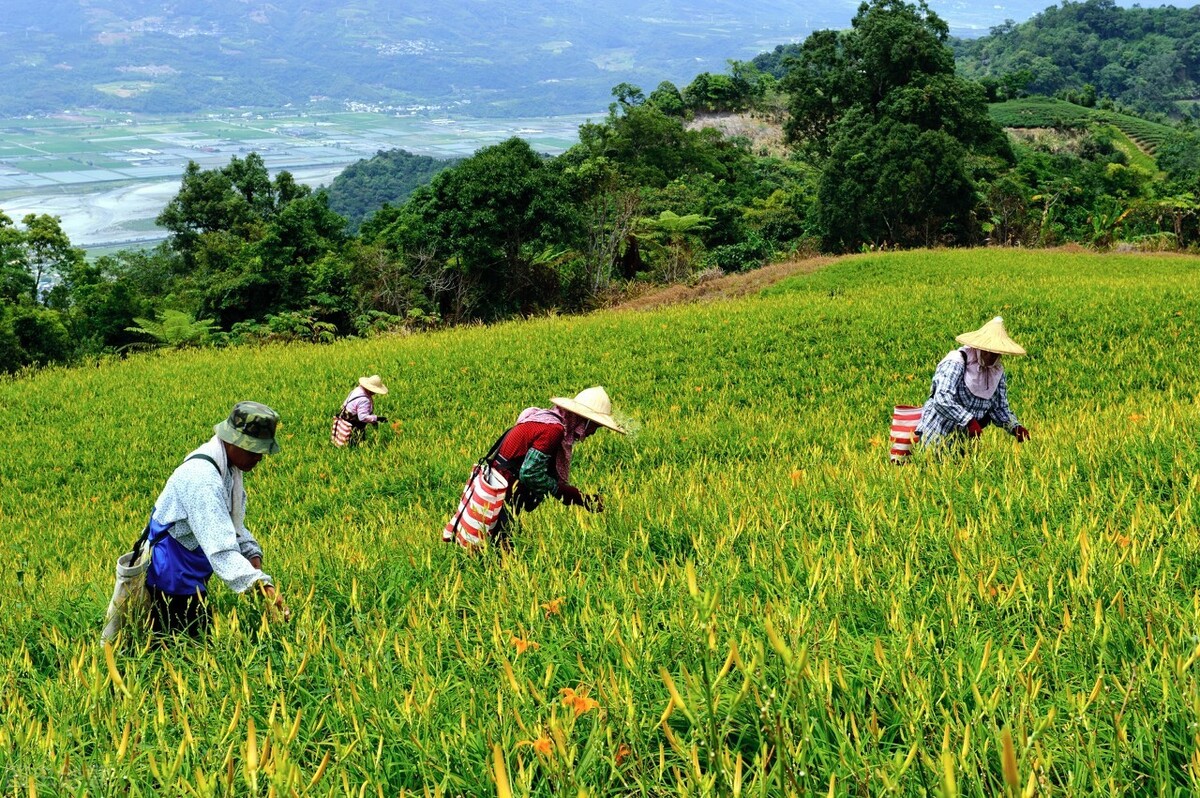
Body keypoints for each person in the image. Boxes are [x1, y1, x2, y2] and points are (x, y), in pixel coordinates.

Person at [139, 401, 290, 635]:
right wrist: (264, 587)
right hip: (171, 575)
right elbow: (221, 548)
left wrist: (253, 557)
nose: (259, 458)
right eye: (254, 449)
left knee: (196, 638)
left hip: (191, 567)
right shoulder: (203, 479)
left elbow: (232, 526)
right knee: (184, 642)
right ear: (232, 441)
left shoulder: (229, 468)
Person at [446, 386, 626, 550]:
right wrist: (574, 496)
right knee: (504, 553)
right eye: (596, 425)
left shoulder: (541, 418)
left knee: (500, 546)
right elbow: (530, 473)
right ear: (583, 420)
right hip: (502, 494)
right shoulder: (552, 430)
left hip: (497, 486)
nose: (594, 432)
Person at [916, 316, 1031, 447]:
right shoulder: (956, 361)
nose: (991, 356)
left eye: (996, 353)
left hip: (966, 441)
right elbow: (942, 399)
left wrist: (1014, 427)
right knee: (933, 465)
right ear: (979, 347)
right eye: (988, 351)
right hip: (937, 434)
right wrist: (969, 421)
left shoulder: (996, 372)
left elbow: (998, 408)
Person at [332, 375, 389, 447]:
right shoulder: (364, 400)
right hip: (353, 424)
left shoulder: (358, 389)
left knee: (346, 441)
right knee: (355, 443)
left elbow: (344, 404)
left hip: (345, 417)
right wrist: (377, 418)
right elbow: (362, 417)